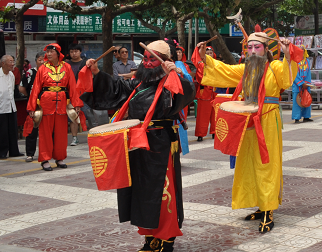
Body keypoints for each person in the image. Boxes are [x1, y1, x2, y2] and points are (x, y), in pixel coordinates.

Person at [80, 40, 195, 252]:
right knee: (141, 191)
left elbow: (186, 94)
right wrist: (96, 74)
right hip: (136, 144)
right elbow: (116, 89)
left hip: (160, 142)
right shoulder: (139, 83)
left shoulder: (171, 81)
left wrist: (175, 74)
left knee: (162, 191)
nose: (149, 63)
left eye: (155, 58)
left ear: (166, 61)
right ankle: (150, 236)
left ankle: (166, 237)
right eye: (147, 58)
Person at [198, 32, 301, 234]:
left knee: (267, 164)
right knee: (248, 164)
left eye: (257, 47)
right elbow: (223, 70)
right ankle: (258, 205)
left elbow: (288, 78)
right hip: (247, 121)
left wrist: (288, 55)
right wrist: (204, 57)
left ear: (266, 49)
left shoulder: (275, 67)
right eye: (250, 48)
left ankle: (268, 209)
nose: (253, 51)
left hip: (268, 120)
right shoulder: (245, 70)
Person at [27, 43, 81, 171]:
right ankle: (45, 159)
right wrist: (32, 107)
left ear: (58, 53)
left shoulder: (66, 67)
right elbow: (35, 89)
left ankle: (60, 158)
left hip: (62, 104)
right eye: (48, 52)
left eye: (51, 51)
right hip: (46, 104)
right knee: (45, 133)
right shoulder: (42, 68)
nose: (49, 54)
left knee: (61, 134)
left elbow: (72, 87)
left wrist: (76, 104)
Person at [0, 55, 23, 159]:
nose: (12, 64)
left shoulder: (11, 74)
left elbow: (11, 90)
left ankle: (14, 151)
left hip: (11, 106)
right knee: (2, 131)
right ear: (3, 63)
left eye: (13, 61)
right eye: (10, 62)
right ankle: (1, 152)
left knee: (13, 130)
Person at [21, 52, 46, 162]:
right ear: (36, 61)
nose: (42, 62)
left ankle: (46, 153)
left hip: (47, 105)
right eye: (40, 60)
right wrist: (31, 98)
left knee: (47, 131)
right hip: (34, 105)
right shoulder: (30, 72)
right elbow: (22, 88)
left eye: (44, 60)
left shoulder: (50, 73)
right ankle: (30, 154)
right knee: (32, 130)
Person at [191, 46, 218, 141]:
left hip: (215, 92)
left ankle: (215, 132)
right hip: (205, 92)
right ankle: (200, 134)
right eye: (207, 53)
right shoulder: (201, 65)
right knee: (202, 115)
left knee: (215, 114)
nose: (209, 54)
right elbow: (200, 78)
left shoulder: (217, 64)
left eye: (211, 53)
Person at [66, 44, 87, 144]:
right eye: (71, 52)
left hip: (84, 93)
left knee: (90, 115)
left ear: (80, 52)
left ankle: (94, 136)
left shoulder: (86, 63)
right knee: (73, 115)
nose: (74, 54)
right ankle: (74, 137)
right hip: (70, 93)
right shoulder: (66, 64)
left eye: (76, 51)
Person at [292, 55, 313, 123]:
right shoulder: (294, 61)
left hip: (306, 85)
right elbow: (293, 73)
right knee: (297, 101)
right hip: (297, 84)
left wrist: (306, 84)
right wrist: (301, 83)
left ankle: (306, 117)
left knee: (307, 99)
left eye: (303, 51)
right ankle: (296, 118)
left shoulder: (307, 61)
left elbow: (308, 73)